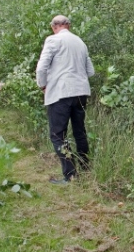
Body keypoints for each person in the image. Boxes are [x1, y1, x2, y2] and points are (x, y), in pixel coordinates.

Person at [36, 15, 95, 184]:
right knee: (79, 131)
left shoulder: (53, 40)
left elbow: (41, 67)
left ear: (54, 26)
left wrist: (43, 85)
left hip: (60, 93)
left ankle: (70, 175)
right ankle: (85, 168)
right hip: (81, 92)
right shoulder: (80, 42)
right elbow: (90, 71)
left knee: (58, 135)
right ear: (68, 25)